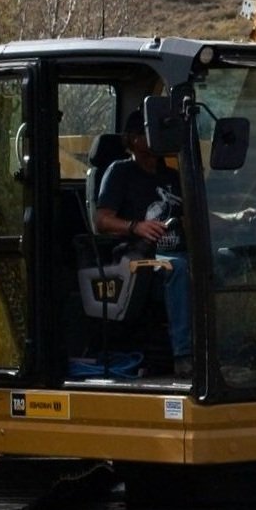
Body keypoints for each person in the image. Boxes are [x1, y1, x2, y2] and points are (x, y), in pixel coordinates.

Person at [93, 107, 193, 377]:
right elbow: (102, 220)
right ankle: (185, 356)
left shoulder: (172, 177)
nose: (161, 139)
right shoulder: (120, 172)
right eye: (153, 133)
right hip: (140, 259)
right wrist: (136, 226)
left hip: (179, 253)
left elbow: (195, 214)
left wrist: (236, 217)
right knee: (178, 269)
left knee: (224, 262)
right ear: (134, 139)